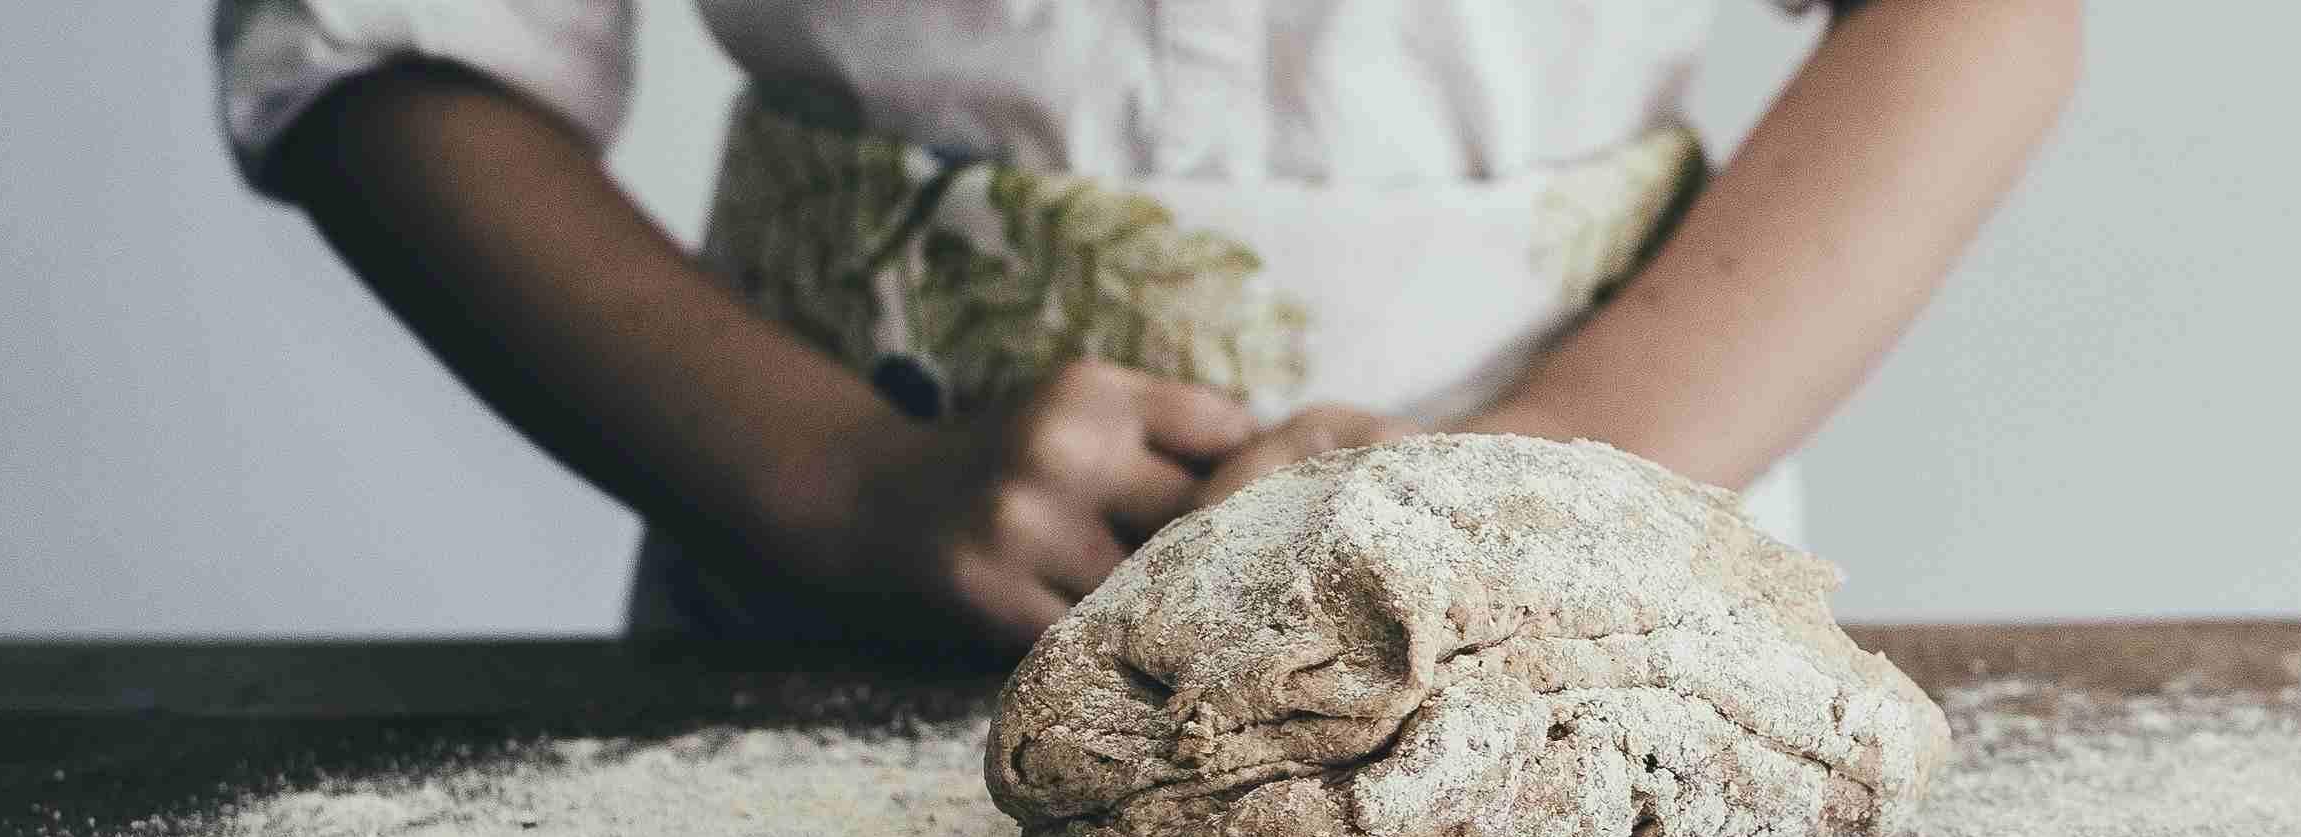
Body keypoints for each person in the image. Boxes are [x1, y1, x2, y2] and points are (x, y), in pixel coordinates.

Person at [216, 0, 2078, 651]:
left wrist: (1537, 499)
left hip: (1586, 576)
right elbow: (387, 47)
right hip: (837, 597)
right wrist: (839, 485)